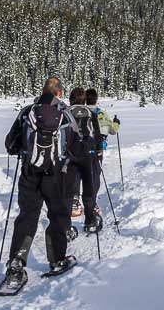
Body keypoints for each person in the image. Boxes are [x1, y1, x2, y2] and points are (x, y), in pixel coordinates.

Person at [0, 76, 76, 294]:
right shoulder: (65, 114)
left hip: (29, 172)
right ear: (59, 93)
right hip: (56, 174)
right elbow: (75, 146)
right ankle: (57, 260)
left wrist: (24, 151)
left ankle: (16, 263)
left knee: (27, 216)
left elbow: (10, 144)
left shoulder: (27, 112)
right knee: (58, 214)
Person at [64, 87, 102, 234]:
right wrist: (98, 150)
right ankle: (90, 221)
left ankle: (66, 225)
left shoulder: (65, 113)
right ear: (84, 99)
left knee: (69, 186)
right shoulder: (90, 113)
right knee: (89, 187)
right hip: (88, 153)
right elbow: (97, 134)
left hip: (70, 153)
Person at [86, 88, 119, 196]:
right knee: (96, 174)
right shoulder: (102, 114)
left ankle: (75, 200)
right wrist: (116, 123)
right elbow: (113, 130)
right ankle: (92, 199)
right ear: (96, 99)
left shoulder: (81, 112)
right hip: (98, 148)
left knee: (80, 173)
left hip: (83, 148)